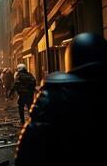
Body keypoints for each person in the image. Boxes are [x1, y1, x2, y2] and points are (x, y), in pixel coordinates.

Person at [15, 33, 107, 166]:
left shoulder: (54, 94)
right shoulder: (35, 80)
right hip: (28, 94)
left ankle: (21, 118)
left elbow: (26, 152)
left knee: (20, 107)